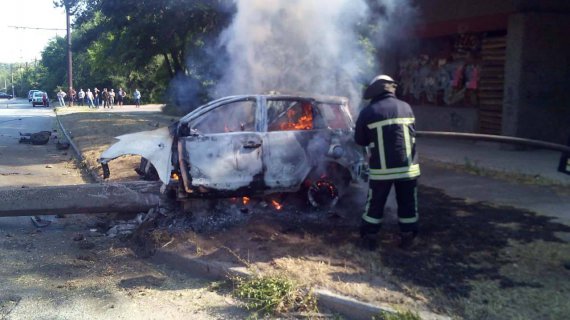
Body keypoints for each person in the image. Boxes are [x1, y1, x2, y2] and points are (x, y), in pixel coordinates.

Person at [355, 74, 420, 250]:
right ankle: (408, 237)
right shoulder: (406, 107)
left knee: (375, 204)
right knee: (408, 203)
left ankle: (369, 237)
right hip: (408, 168)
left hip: (383, 170)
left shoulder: (369, 111)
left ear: (374, 91)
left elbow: (360, 140)